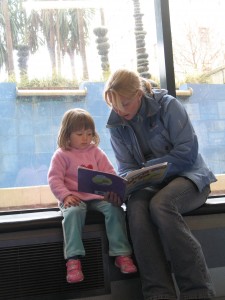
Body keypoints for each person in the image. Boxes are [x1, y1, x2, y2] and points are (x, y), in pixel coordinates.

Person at [103, 69, 217, 300]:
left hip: (190, 177)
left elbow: (187, 152)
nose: (119, 111)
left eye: (124, 103)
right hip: (152, 183)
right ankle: (158, 294)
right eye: (114, 105)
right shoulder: (116, 125)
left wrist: (150, 167)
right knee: (135, 209)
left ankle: (198, 291)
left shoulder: (168, 105)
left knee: (161, 204)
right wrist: (123, 185)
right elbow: (125, 166)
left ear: (138, 94)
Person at [48, 108, 137, 284]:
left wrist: (113, 190)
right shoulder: (61, 155)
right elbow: (54, 179)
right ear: (67, 134)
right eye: (80, 134)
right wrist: (65, 196)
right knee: (73, 214)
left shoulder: (96, 152)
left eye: (89, 133)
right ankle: (73, 259)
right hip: (73, 198)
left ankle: (122, 254)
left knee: (115, 210)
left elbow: (110, 173)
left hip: (97, 198)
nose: (85, 138)